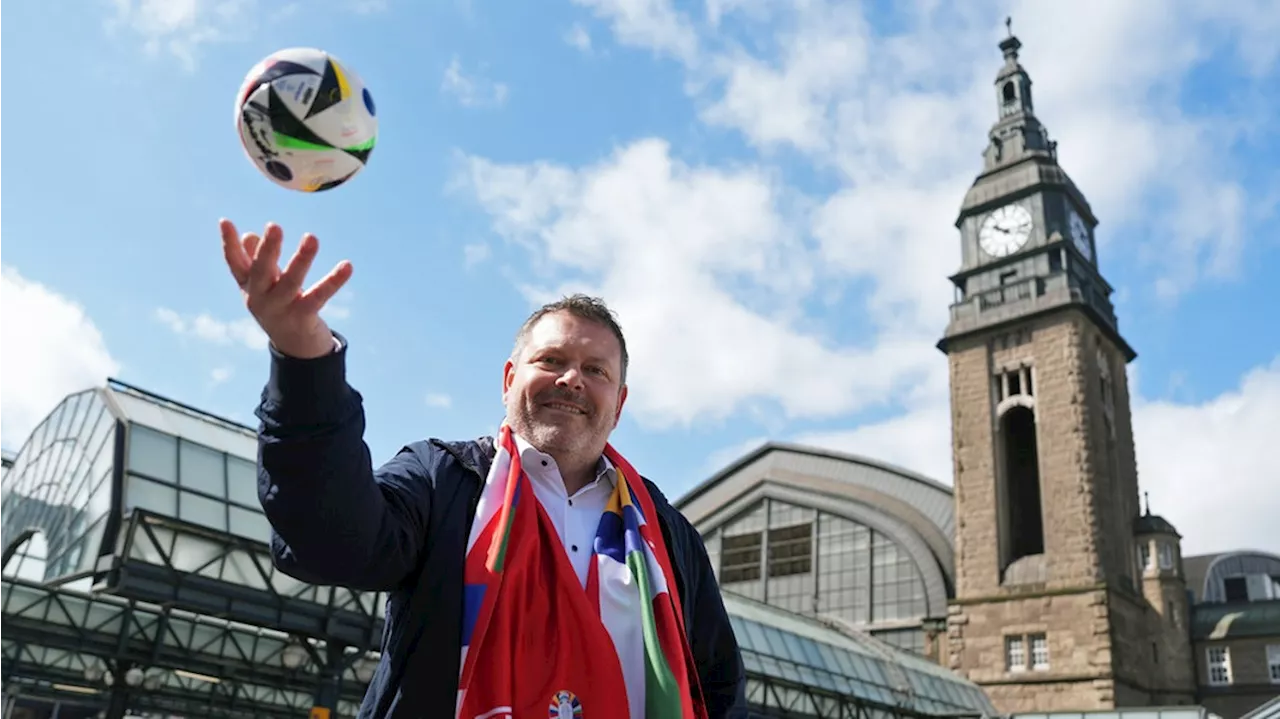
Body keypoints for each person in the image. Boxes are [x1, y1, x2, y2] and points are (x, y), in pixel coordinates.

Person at [219, 219, 747, 719]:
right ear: (508, 379)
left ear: (620, 402)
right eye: (551, 361)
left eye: (595, 370)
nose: (571, 379)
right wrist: (305, 364)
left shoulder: (667, 534)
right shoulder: (442, 479)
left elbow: (718, 688)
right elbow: (331, 542)